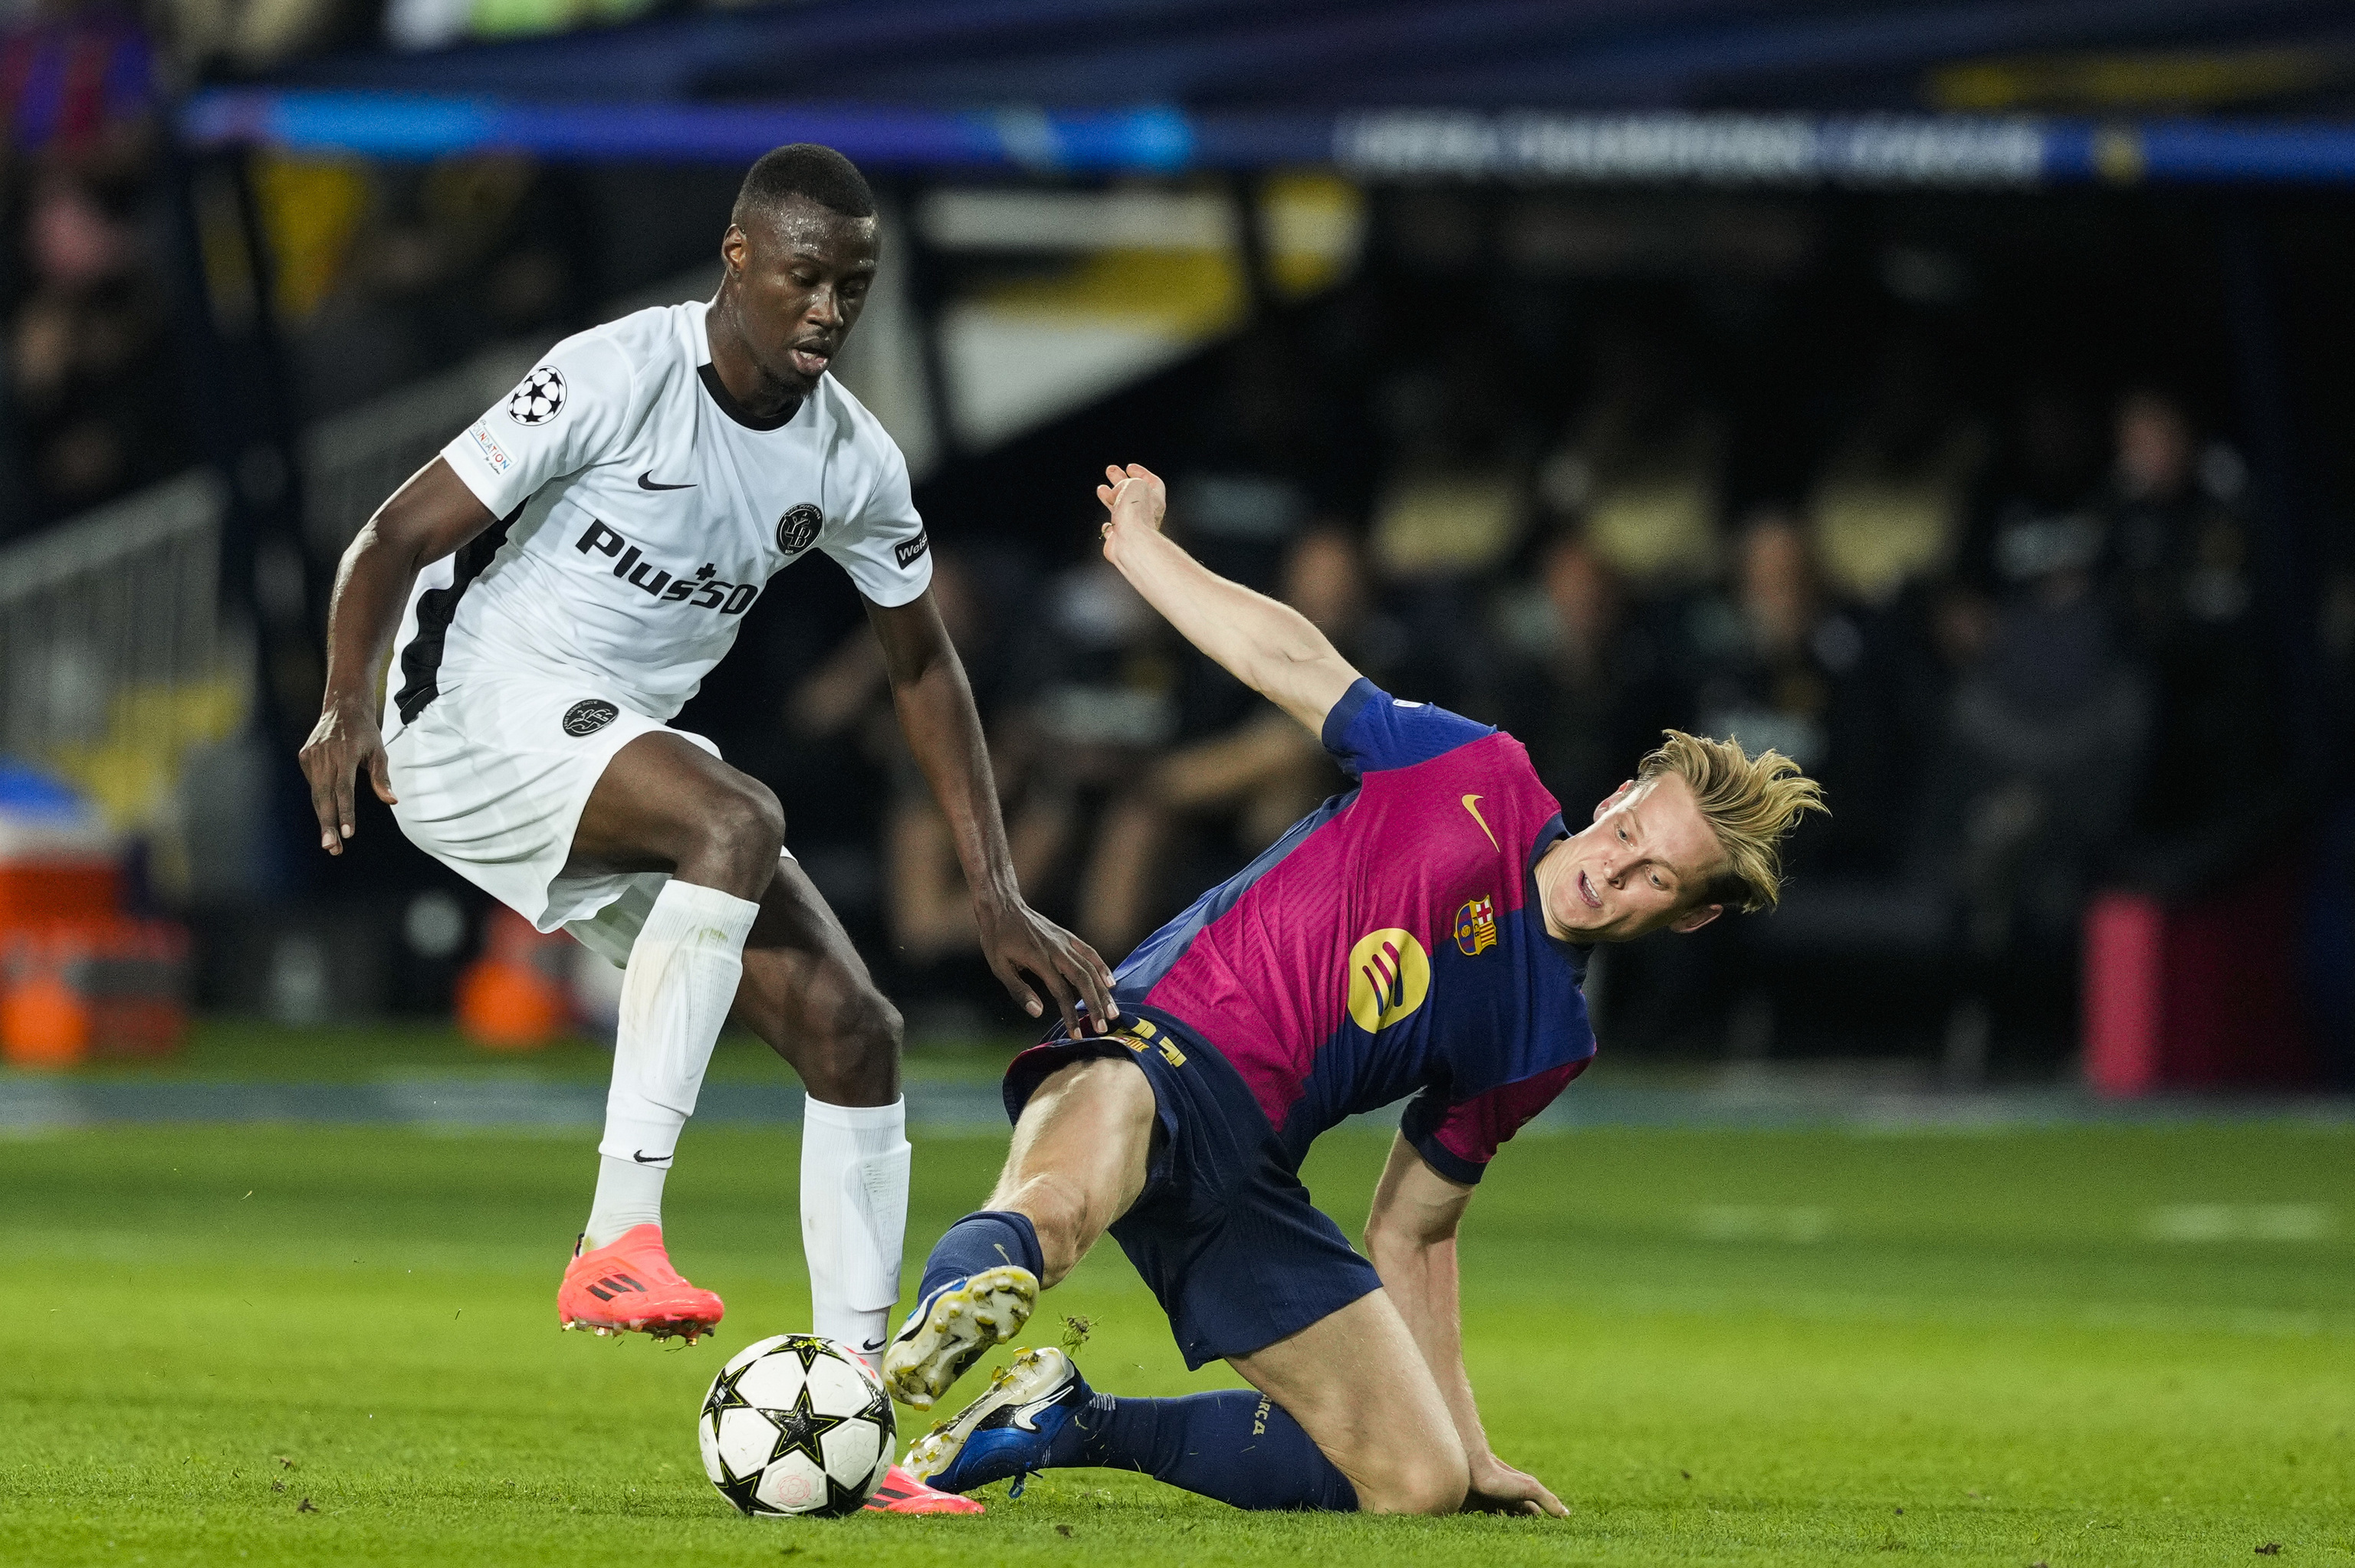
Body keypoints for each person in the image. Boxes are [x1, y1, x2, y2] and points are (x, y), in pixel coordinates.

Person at [295, 144, 1113, 1514]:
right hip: (462, 715)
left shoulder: (852, 454)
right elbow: (392, 534)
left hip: (610, 754)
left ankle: (859, 1419)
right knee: (735, 817)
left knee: (857, 1032)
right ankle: (617, 1233)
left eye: (853, 286)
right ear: (738, 259)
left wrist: (996, 888)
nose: (828, 311)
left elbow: (924, 666)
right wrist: (342, 708)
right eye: (806, 277)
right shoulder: (617, 372)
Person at [879, 464, 1824, 1515]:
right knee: (1057, 1210)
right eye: (1631, 830)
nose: (1618, 868)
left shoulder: (1547, 1036)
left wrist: (1473, 1450)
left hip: (1250, 1171)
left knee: (1417, 1481)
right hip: (1154, 1040)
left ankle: (1065, 1416)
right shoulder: (1483, 774)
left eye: (1659, 876)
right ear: (1614, 796)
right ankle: (945, 1317)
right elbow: (1292, 658)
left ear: (1689, 912)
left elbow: (1415, 1229)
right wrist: (1144, 546)